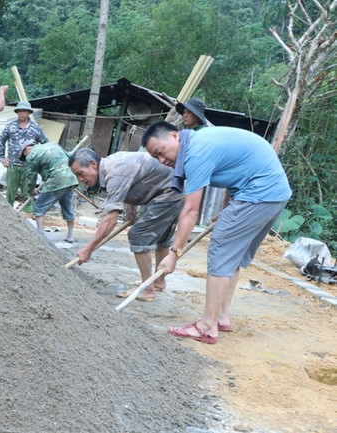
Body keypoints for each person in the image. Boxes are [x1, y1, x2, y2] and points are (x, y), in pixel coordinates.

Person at [142, 121, 291, 344]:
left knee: (221, 252)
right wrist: (226, 209)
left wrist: (174, 253)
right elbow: (236, 172)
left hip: (258, 192)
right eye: (156, 158)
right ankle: (221, 317)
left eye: (160, 152)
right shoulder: (202, 142)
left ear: (175, 136)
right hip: (274, 194)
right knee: (233, 257)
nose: (162, 161)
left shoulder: (195, 153)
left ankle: (206, 326)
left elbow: (191, 211)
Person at [70, 148, 184, 301]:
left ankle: (148, 289)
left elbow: (111, 218)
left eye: (80, 173)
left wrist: (88, 248)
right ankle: (158, 281)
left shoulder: (115, 172)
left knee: (139, 235)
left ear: (93, 164)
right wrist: (132, 210)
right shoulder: (112, 166)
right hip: (172, 189)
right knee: (161, 237)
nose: (81, 179)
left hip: (170, 193)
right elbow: (135, 183)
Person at [0, 101, 50, 213]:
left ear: (29, 113)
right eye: (19, 111)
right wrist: (2, 158)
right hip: (13, 166)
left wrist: (40, 160)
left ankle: (28, 218)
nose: (21, 113)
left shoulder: (36, 128)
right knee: (10, 193)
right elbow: (1, 141)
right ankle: (7, 215)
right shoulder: (10, 126)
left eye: (24, 111)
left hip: (29, 168)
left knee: (28, 194)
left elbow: (46, 144)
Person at [22, 142, 78, 242]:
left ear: (27, 148)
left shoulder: (32, 155)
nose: (25, 157)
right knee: (68, 208)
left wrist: (31, 190)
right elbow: (69, 156)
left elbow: (30, 176)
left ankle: (41, 236)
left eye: (23, 155)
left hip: (56, 180)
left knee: (39, 207)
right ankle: (70, 236)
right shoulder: (53, 144)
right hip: (70, 178)